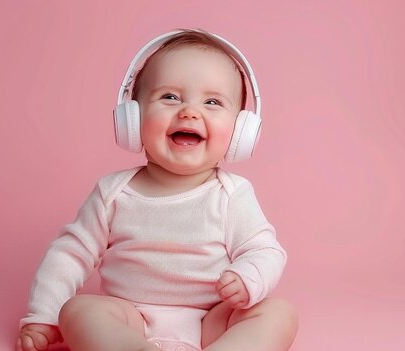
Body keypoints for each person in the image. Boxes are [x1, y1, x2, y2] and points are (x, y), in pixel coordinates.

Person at [16, 29, 298, 351]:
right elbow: (70, 254)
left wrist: (249, 277)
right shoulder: (114, 192)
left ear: (240, 133)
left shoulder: (232, 194)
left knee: (278, 312)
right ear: (132, 119)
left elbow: (265, 251)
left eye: (212, 102)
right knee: (78, 310)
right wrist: (46, 315)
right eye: (170, 97)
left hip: (211, 320)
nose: (190, 111)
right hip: (130, 318)